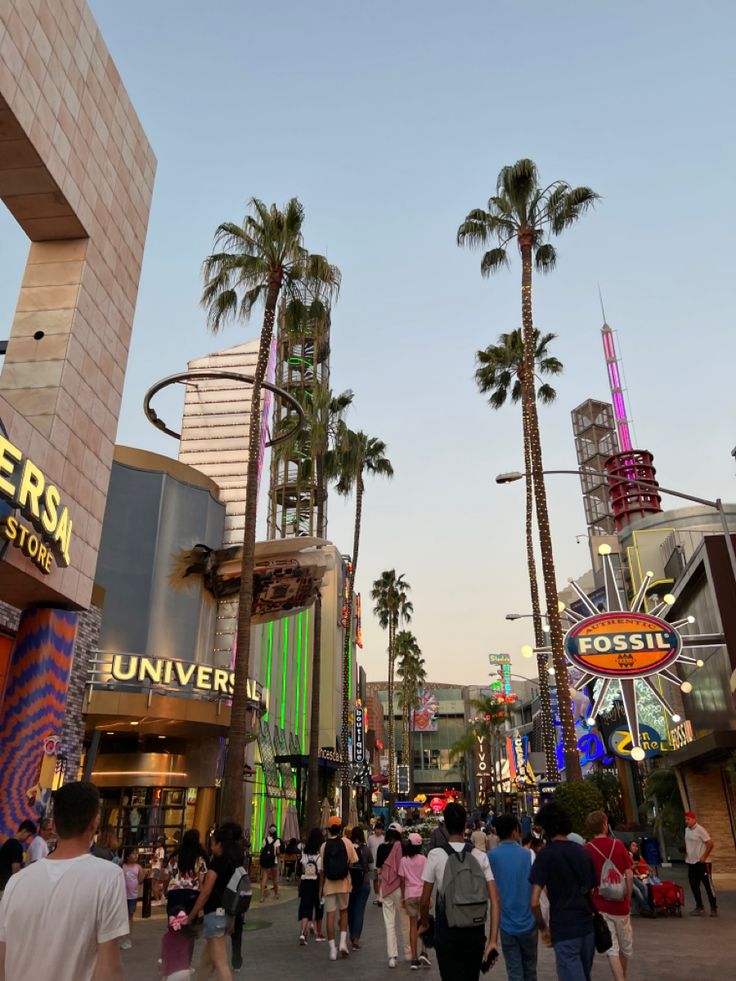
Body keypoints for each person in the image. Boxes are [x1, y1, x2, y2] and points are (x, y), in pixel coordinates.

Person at [0, 781, 128, 981]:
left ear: (54, 826)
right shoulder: (108, 877)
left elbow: (2, 958)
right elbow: (108, 969)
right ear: (94, 824)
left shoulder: (16, 882)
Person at [419, 802, 499, 981]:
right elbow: (495, 900)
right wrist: (493, 940)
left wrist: (424, 923)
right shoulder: (480, 856)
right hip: (475, 931)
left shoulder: (435, 855)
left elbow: (424, 901)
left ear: (445, 826)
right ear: (465, 825)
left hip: (446, 932)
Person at [529, 802, 596, 981]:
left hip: (564, 928)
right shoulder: (583, 852)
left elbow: (534, 901)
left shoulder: (545, 855)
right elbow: (591, 888)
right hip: (587, 926)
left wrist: (543, 928)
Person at [186, 824, 241, 981]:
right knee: (208, 962)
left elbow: (205, 893)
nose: (210, 847)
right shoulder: (231, 864)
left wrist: (191, 916)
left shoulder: (217, 864)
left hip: (214, 915)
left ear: (219, 844)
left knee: (220, 963)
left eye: (212, 843)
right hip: (225, 915)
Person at [488, 814, 538, 981]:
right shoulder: (529, 854)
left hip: (506, 922)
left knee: (514, 972)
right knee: (530, 970)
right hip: (529, 921)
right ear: (516, 830)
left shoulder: (491, 857)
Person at [585, 810, 634, 981]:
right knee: (625, 947)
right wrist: (627, 894)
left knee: (611, 948)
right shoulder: (618, 845)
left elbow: (588, 882)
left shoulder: (587, 849)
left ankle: (619, 979)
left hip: (601, 903)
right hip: (621, 904)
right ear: (605, 825)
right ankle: (622, 978)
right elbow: (629, 874)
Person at [319, 816, 358, 961]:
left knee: (330, 916)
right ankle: (342, 943)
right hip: (344, 883)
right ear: (340, 828)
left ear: (328, 829)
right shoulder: (347, 842)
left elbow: (322, 870)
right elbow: (352, 862)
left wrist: (320, 889)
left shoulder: (324, 846)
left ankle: (332, 950)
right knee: (344, 912)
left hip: (329, 885)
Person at [379, 822, 411, 968]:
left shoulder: (381, 848)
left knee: (389, 923)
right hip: (400, 887)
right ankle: (408, 952)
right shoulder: (403, 847)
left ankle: (392, 956)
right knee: (405, 922)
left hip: (385, 888)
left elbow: (379, 867)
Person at [399, 832, 431, 970]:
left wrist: (402, 897)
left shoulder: (403, 860)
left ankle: (414, 958)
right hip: (423, 894)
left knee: (413, 925)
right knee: (425, 923)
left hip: (410, 894)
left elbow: (401, 880)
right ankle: (424, 951)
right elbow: (427, 878)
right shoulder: (423, 859)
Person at [166, 829, 208, 917]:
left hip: (174, 892)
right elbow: (201, 880)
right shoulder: (200, 858)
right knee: (190, 923)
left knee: (174, 923)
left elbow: (168, 876)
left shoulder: (174, 857)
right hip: (192, 892)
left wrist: (165, 890)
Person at [684, 810, 717, 916]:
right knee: (694, 885)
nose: (686, 821)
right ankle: (699, 907)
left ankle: (713, 908)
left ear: (694, 819)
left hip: (702, 863)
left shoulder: (700, 830)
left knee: (708, 886)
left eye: (688, 819)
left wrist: (704, 856)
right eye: (685, 819)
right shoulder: (687, 830)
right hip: (691, 863)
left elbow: (710, 843)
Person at [298, 827, 326, 944]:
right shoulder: (320, 854)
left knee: (306, 907)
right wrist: (321, 889)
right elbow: (321, 873)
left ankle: (303, 932)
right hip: (316, 882)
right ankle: (318, 932)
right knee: (318, 907)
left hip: (305, 882)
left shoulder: (305, 852)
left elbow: (303, 868)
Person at [348, 826, 372, 950]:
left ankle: (352, 934)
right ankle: (356, 939)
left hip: (349, 882)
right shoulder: (366, 849)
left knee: (350, 909)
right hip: (364, 882)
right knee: (359, 910)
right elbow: (370, 866)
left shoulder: (348, 847)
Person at [121, 846, 146, 949]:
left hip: (132, 896)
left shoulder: (138, 867)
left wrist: (144, 875)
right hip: (122, 896)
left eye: (136, 853)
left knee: (130, 916)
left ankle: (127, 938)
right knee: (123, 916)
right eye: (133, 853)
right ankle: (122, 936)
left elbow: (140, 880)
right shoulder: (122, 867)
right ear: (127, 856)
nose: (136, 855)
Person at [626, 841, 653, 916]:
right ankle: (646, 908)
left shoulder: (638, 856)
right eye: (633, 846)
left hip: (634, 876)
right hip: (627, 877)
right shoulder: (627, 855)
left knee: (644, 887)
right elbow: (630, 867)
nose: (635, 848)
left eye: (636, 846)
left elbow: (643, 865)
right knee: (637, 890)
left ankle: (645, 908)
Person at [259, 825, 281, 902]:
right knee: (274, 878)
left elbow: (262, 850)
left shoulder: (265, 839)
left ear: (269, 831)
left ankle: (261, 897)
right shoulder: (277, 840)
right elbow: (278, 852)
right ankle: (276, 894)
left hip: (265, 861)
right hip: (273, 861)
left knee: (264, 878)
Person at [367, 821, 385, 905]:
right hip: (372, 864)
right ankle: (377, 896)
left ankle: (381, 896)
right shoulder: (370, 838)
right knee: (374, 880)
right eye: (377, 829)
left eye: (380, 829)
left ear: (382, 830)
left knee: (381, 880)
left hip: (381, 864)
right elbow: (368, 849)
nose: (378, 831)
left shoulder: (384, 839)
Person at [152, 836, 166, 904]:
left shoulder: (161, 850)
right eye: (157, 841)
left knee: (154, 884)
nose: (157, 843)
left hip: (157, 868)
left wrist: (161, 870)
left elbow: (161, 860)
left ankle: (157, 899)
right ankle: (161, 896)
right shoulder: (157, 849)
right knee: (155, 884)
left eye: (159, 842)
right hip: (154, 867)